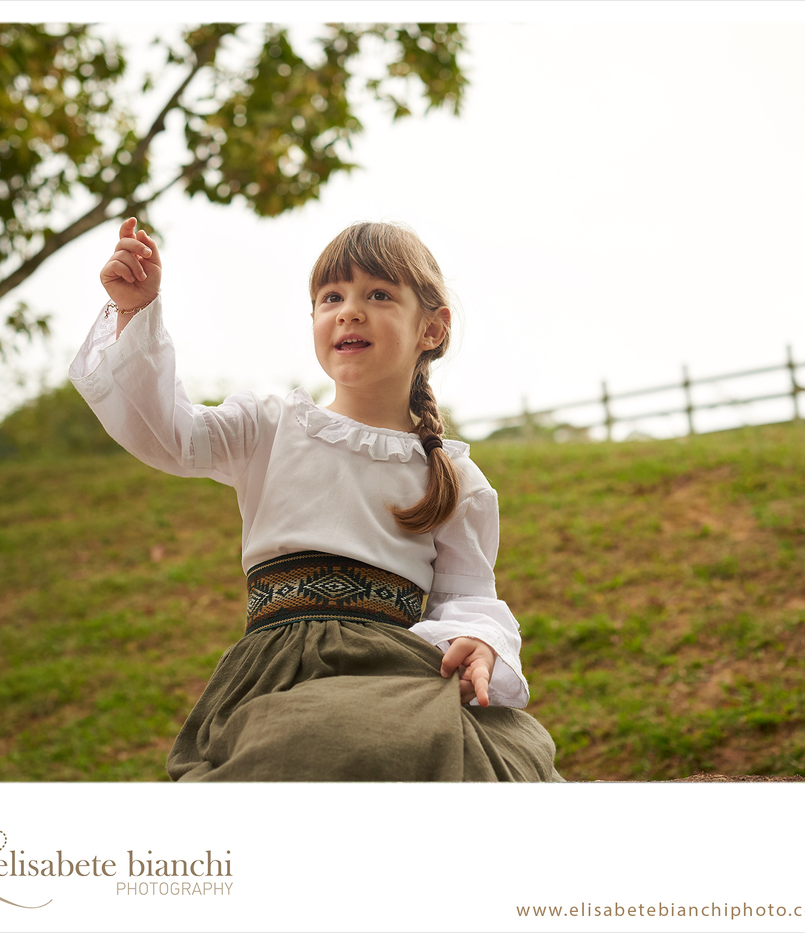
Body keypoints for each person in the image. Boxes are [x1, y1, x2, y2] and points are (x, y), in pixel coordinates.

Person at [70, 217, 563, 782]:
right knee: (308, 741)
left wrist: (478, 639)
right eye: (332, 297)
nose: (349, 310)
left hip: (397, 668)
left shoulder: (456, 478)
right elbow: (167, 433)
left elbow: (468, 598)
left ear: (433, 328)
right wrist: (136, 311)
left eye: (378, 294)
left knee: (454, 749)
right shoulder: (269, 428)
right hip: (284, 669)